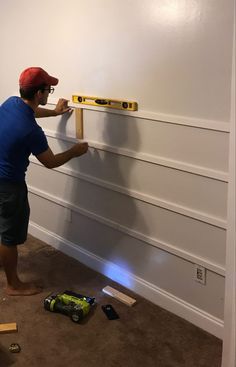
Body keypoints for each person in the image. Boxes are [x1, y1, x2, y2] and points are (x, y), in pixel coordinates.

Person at [0, 67, 88, 296]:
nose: (49, 92)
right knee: (10, 236)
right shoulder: (31, 131)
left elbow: (32, 112)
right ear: (39, 93)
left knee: (1, 227)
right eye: (48, 89)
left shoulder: (11, 104)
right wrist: (74, 151)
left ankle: (3, 261)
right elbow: (51, 162)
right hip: (8, 185)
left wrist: (56, 113)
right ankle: (13, 285)